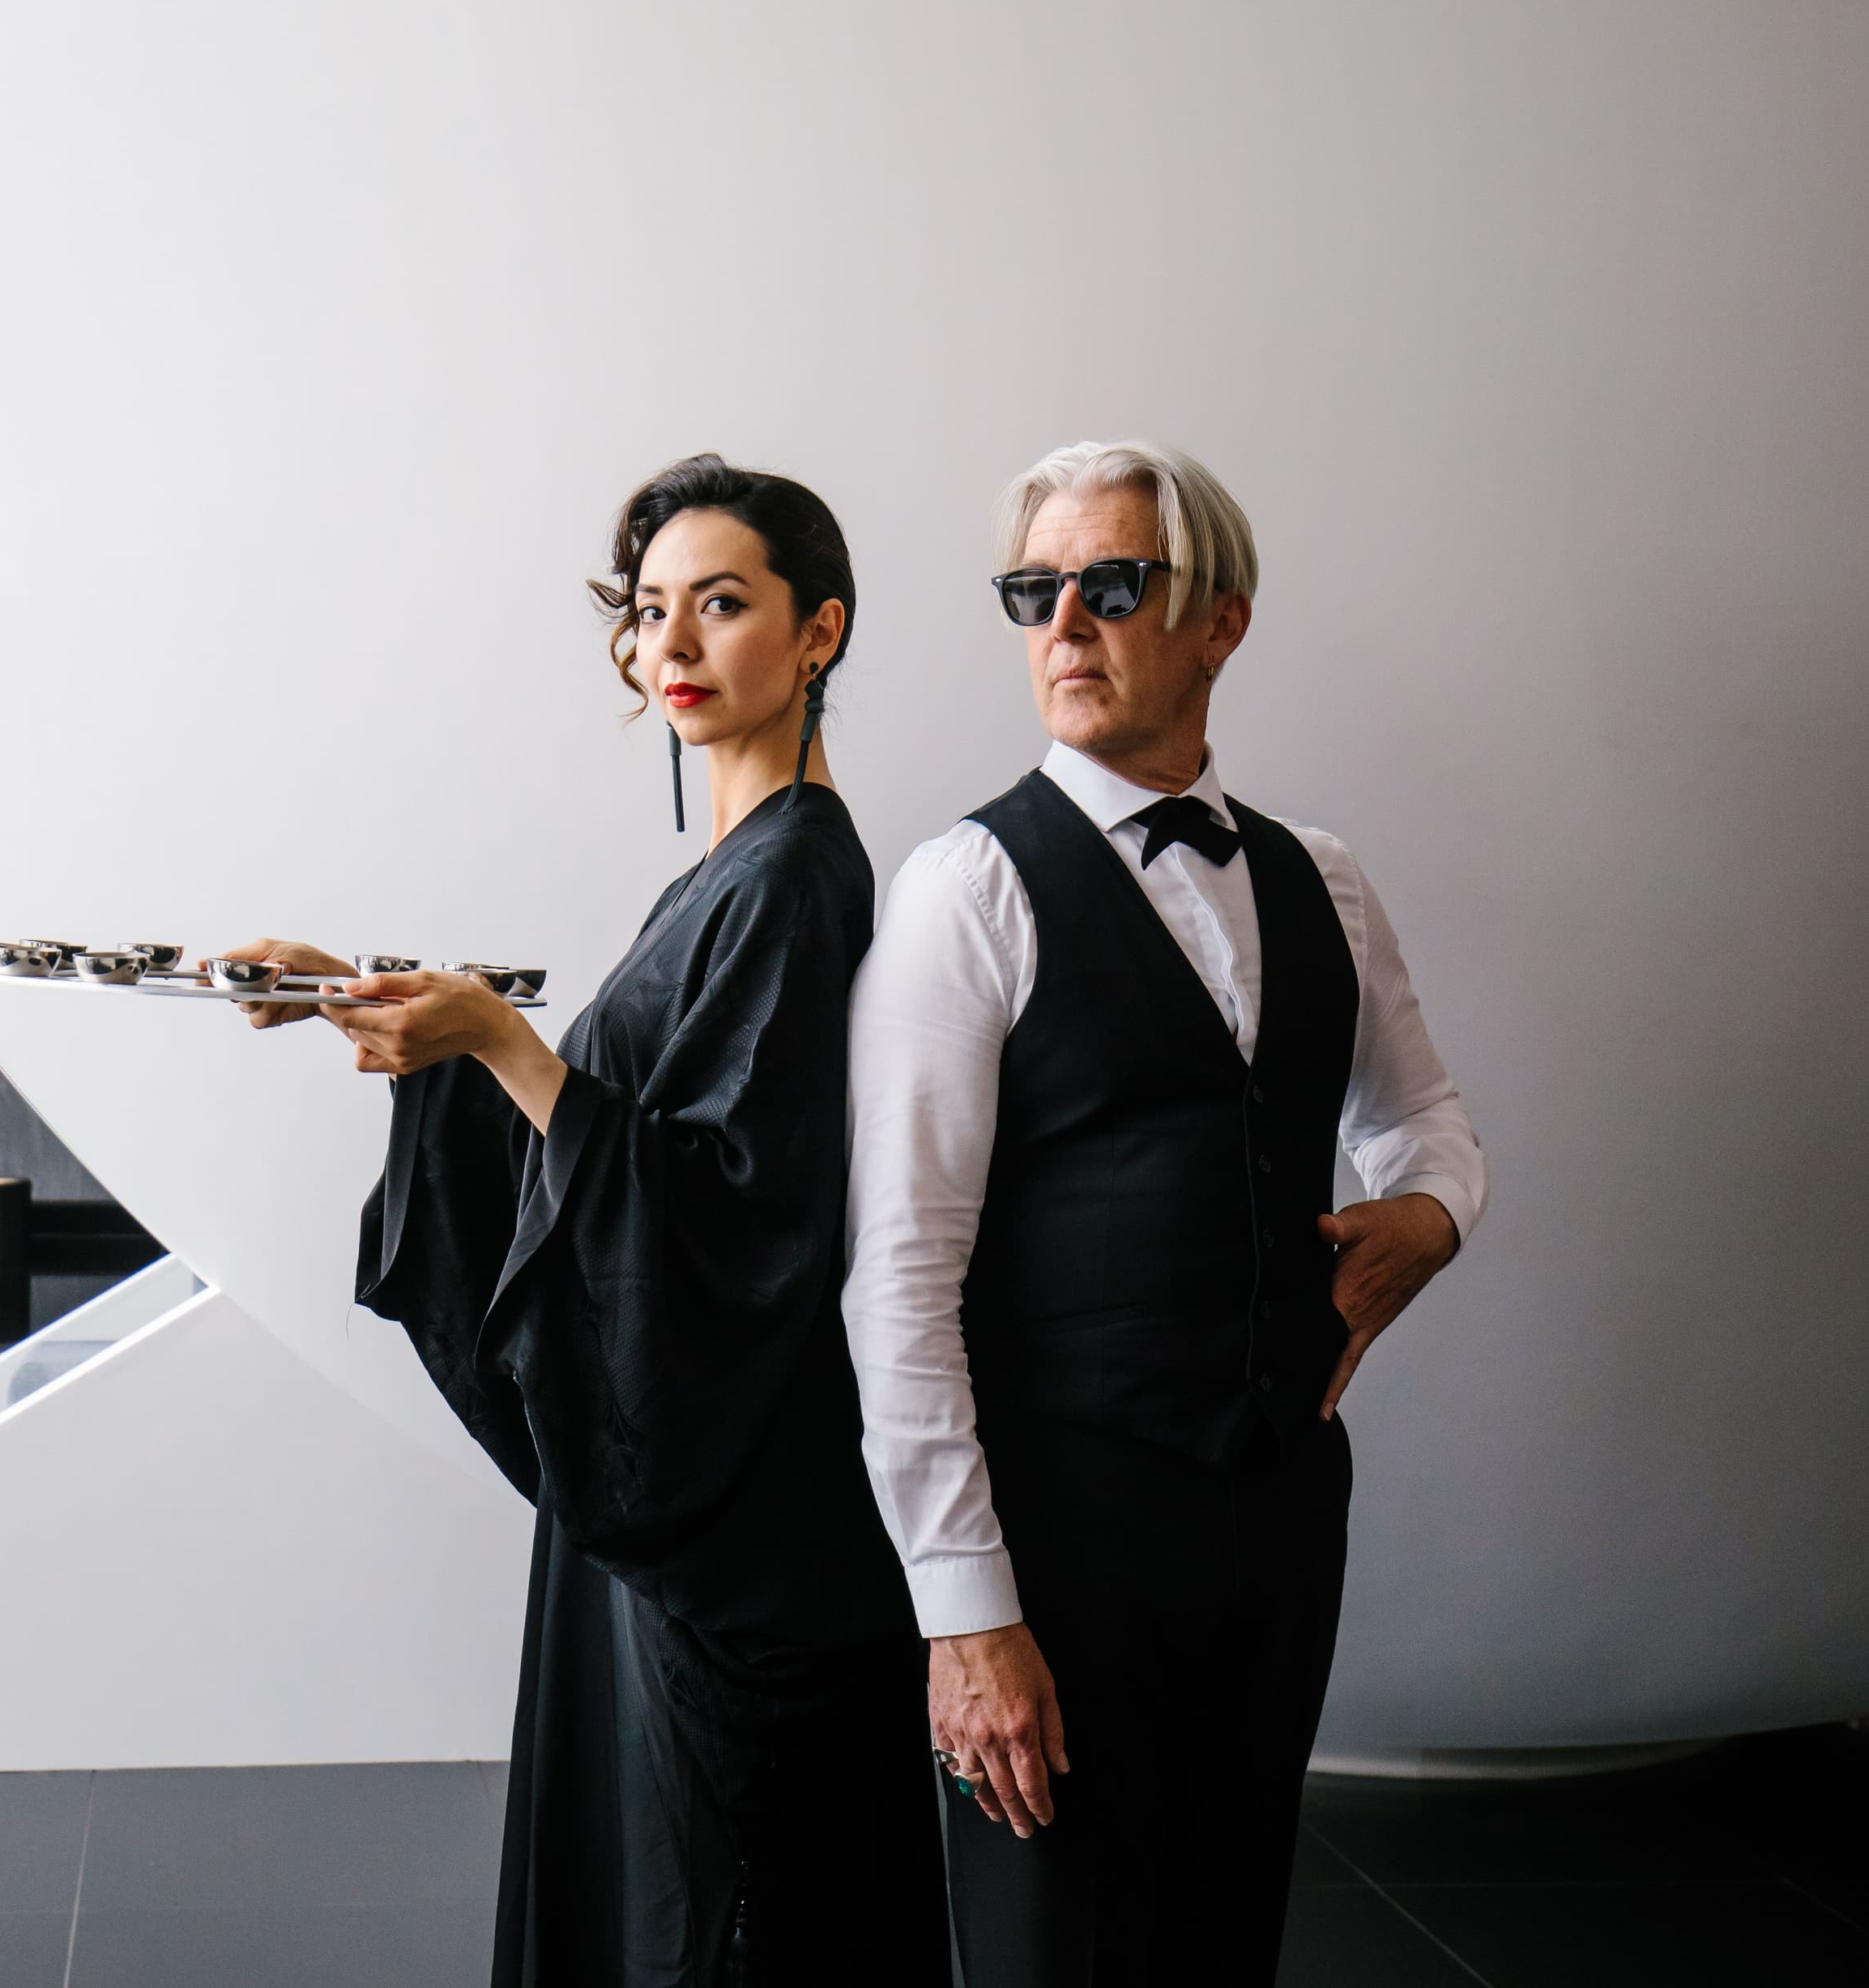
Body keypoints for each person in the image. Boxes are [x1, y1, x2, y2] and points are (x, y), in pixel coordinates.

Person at [225, 456, 945, 1986]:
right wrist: (388, 1005)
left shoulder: (800, 876)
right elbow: (616, 1122)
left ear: (819, 636)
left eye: (724, 605)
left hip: (740, 1536)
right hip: (670, 1517)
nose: (671, 646)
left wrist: (499, 1039)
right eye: (651, 612)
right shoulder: (730, 872)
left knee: (718, 1918)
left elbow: (739, 1219)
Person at [841, 441, 1486, 1984]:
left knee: (1223, 1936)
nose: (1064, 623)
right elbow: (899, 1281)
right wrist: (965, 1616)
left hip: (1277, 1516)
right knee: (1053, 1954)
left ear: (1220, 621)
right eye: (1032, 591)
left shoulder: (1319, 878)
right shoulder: (966, 888)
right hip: (1059, 1539)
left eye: (1112, 585)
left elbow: (1426, 1122)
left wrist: (1432, 1217)